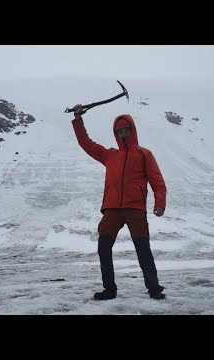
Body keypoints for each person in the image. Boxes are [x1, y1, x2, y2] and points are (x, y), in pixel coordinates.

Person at [71, 104, 167, 300]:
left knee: (143, 250)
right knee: (103, 247)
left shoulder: (144, 154)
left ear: (132, 130)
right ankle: (110, 290)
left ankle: (154, 289)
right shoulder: (110, 155)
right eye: (119, 130)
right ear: (115, 133)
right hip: (112, 210)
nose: (122, 133)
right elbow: (86, 143)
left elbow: (158, 182)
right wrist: (78, 119)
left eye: (126, 130)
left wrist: (160, 203)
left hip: (135, 209)